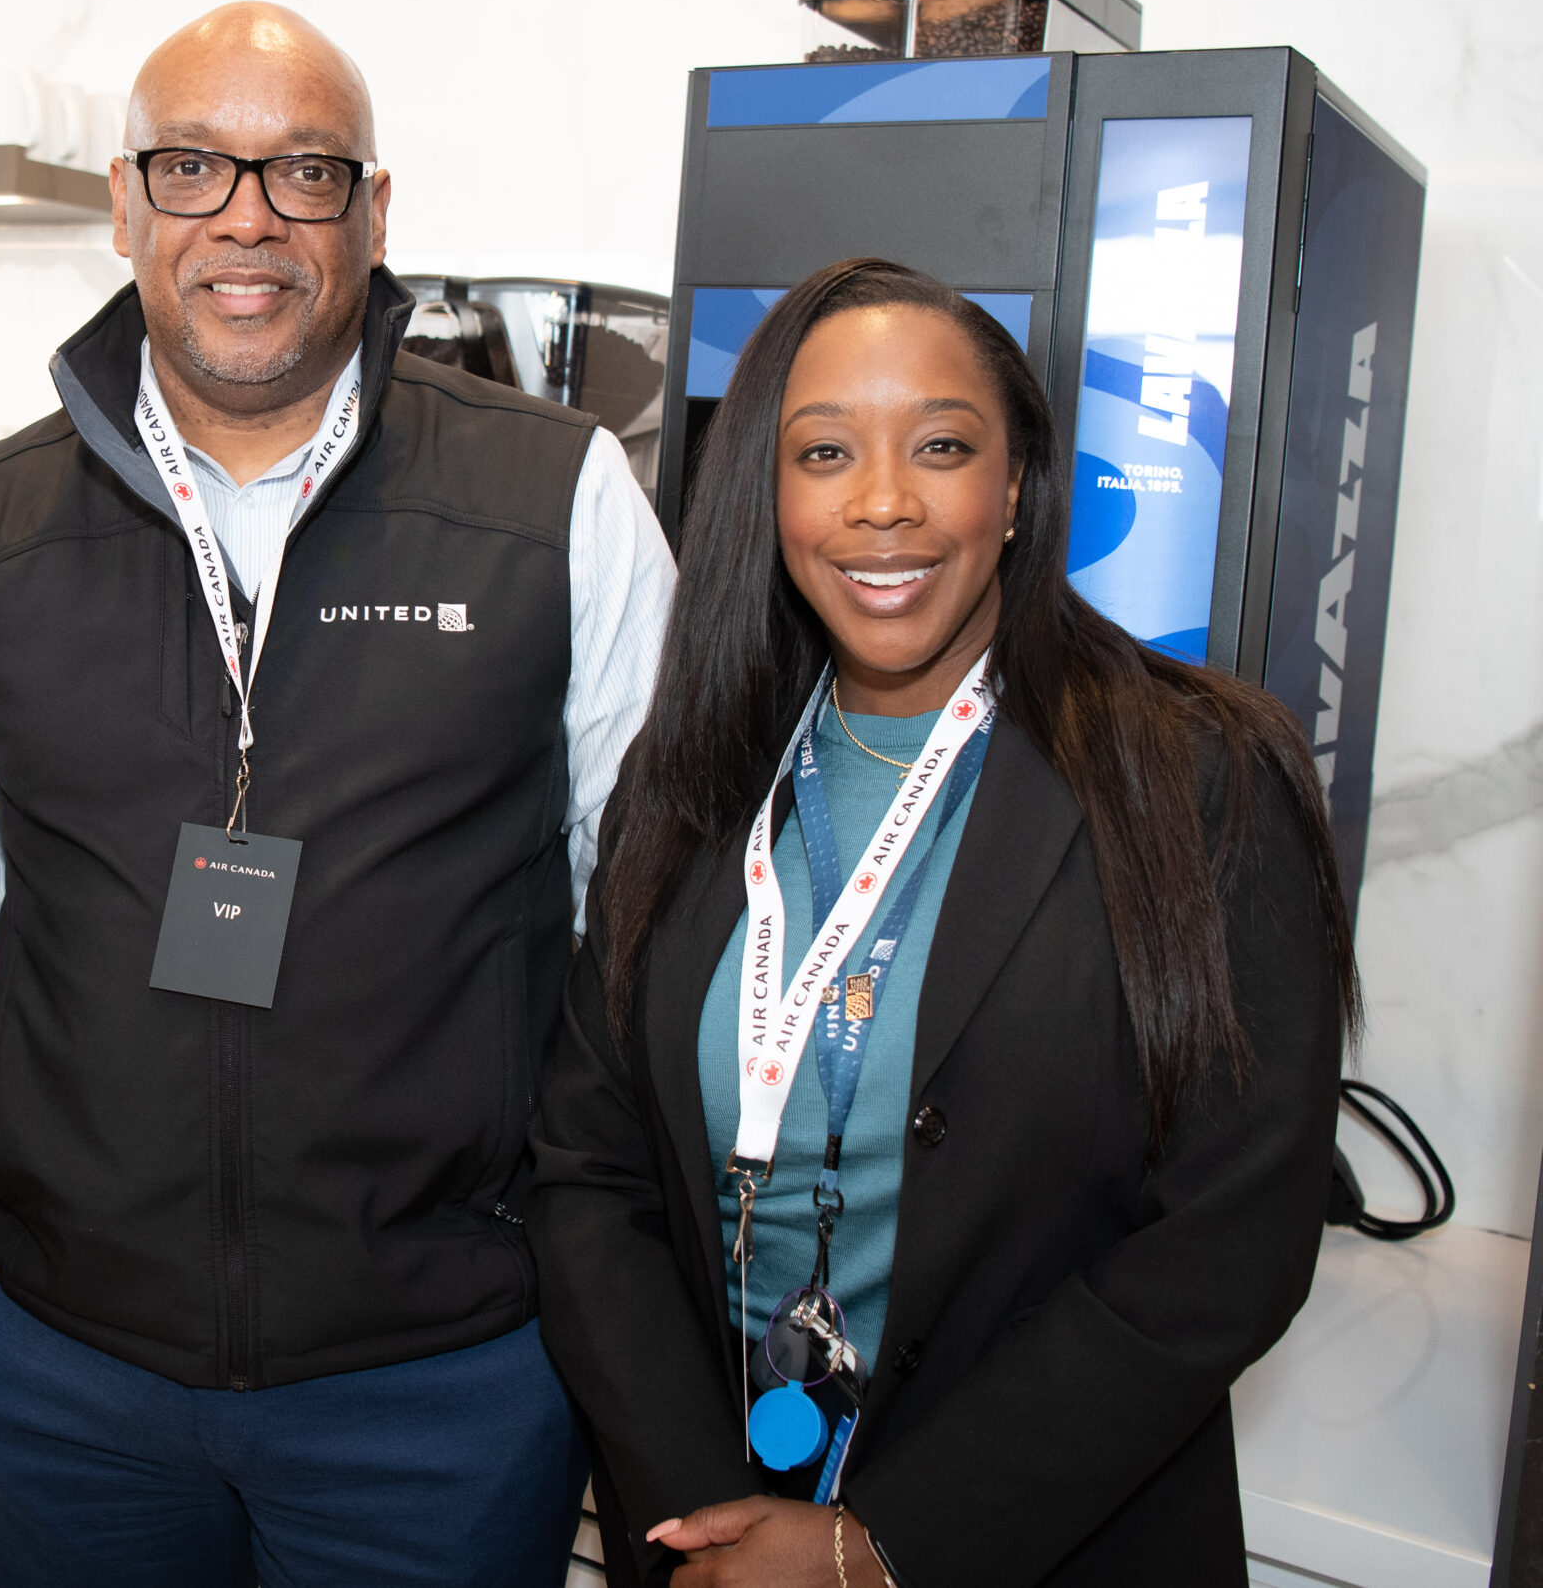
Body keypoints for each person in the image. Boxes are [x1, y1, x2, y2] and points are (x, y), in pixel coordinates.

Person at [0, 0, 675, 1586]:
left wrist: (565, 1262)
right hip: (60, 1370)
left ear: (372, 212)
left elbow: (635, 917)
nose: (244, 218)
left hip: (438, 1384)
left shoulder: (554, 496)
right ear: (122, 204)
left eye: (301, 172)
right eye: (191, 168)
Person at [528, 258, 1358, 1587]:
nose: (883, 503)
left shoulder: (1197, 777)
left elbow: (1231, 1245)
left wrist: (883, 1546)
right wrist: (701, 1516)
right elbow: (589, 1169)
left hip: (1040, 1541)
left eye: (942, 445)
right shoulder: (687, 779)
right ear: (768, 491)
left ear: (1019, 486)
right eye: (824, 452)